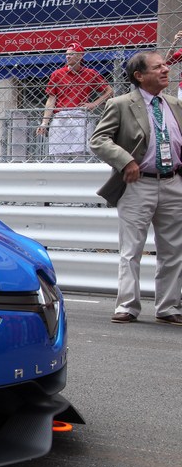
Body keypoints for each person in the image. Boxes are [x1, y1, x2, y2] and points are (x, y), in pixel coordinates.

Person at [89, 49, 182, 325]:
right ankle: (127, 305)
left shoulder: (175, 104)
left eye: (165, 65)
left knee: (174, 250)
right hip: (137, 183)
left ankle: (169, 307)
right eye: (157, 67)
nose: (165, 70)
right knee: (132, 249)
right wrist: (126, 160)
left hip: (173, 183)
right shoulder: (120, 104)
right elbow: (99, 140)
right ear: (139, 76)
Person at [36, 42, 111, 159]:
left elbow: (109, 91)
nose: (67, 56)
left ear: (80, 56)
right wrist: (45, 122)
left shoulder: (90, 74)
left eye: (72, 54)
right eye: (67, 54)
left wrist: (94, 104)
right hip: (60, 117)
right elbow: (51, 99)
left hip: (79, 116)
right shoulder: (57, 74)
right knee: (59, 156)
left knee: (79, 155)